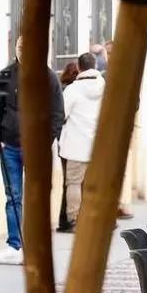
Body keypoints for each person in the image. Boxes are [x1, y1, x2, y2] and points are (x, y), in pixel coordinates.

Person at [0, 36, 65, 266]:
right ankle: (14, 245)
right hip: (9, 145)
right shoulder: (5, 76)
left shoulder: (48, 77)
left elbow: (57, 114)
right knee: (13, 197)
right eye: (21, 47)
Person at [58, 53, 107, 229]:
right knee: (94, 184)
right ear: (95, 65)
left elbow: (61, 114)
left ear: (79, 67)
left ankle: (74, 218)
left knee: (74, 183)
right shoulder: (105, 87)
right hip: (98, 145)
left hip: (75, 145)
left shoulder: (72, 90)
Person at [56, 60, 81, 233]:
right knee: (74, 183)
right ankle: (68, 219)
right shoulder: (73, 91)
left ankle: (64, 219)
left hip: (65, 143)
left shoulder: (63, 90)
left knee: (69, 183)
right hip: (75, 142)